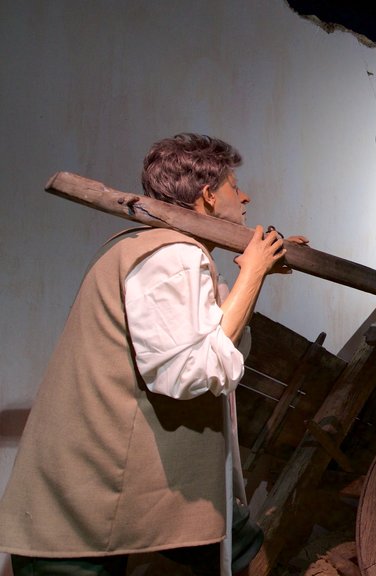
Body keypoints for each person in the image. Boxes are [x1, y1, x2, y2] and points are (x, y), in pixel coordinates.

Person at [0, 133, 308, 575]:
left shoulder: (161, 248)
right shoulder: (172, 255)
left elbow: (219, 338)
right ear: (206, 195)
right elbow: (191, 373)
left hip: (114, 495)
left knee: (239, 547)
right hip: (91, 500)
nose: (245, 197)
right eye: (233, 187)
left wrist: (256, 277)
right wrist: (254, 270)